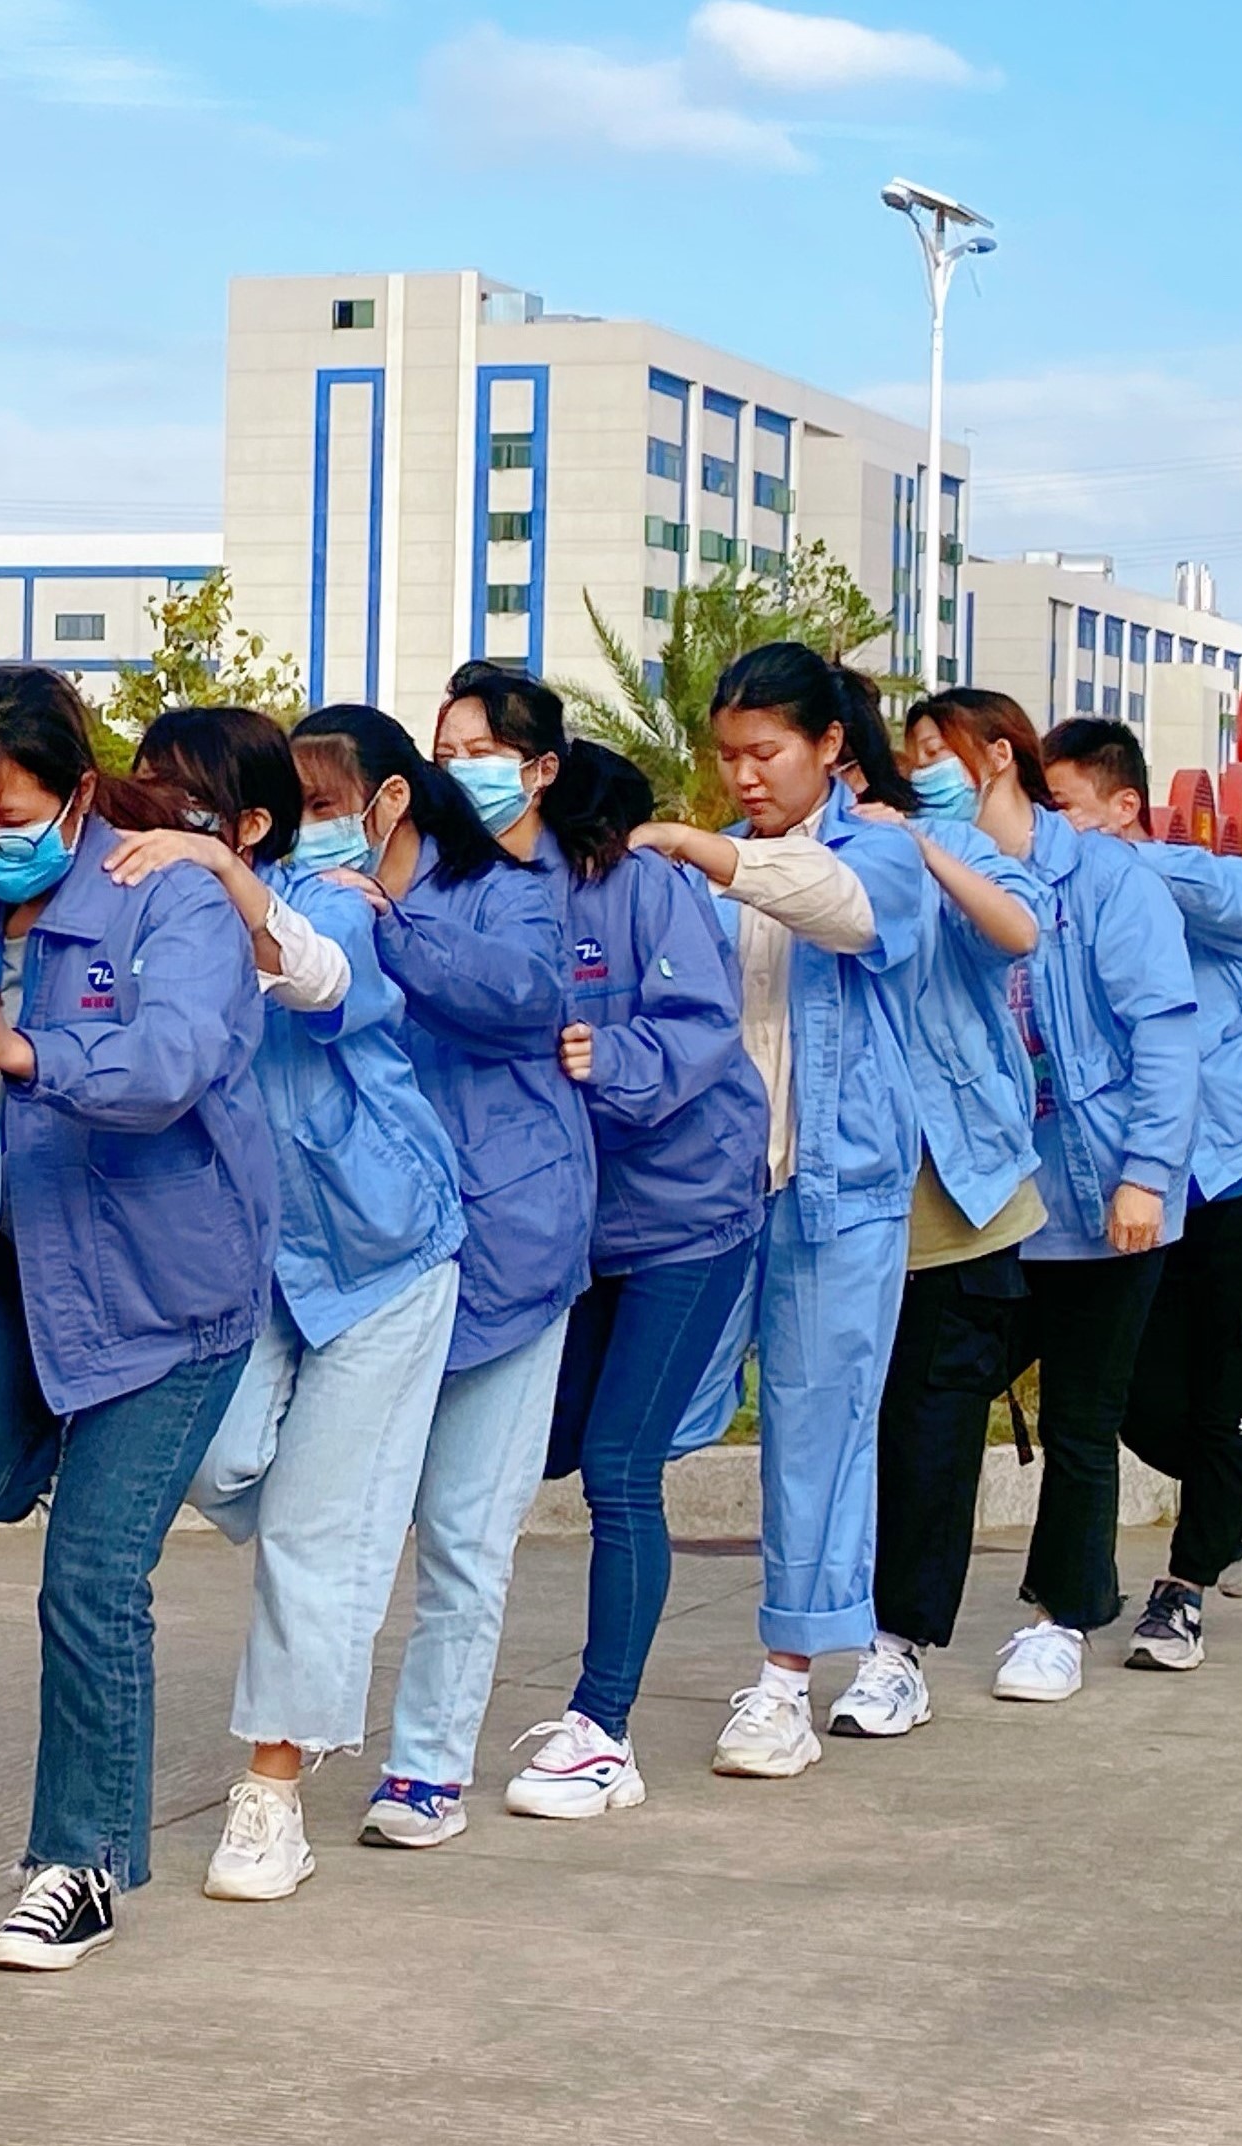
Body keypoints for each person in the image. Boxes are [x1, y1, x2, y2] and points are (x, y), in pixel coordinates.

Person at [0, 666, 278, 1972]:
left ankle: (75, 1862)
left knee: (91, 1573)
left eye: (13, 817)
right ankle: (30, 1458)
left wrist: (29, 1051)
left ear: (78, 792)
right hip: (18, 1285)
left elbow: (178, 1056)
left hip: (168, 1295)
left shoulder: (165, 890)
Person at [109, 708, 464, 1902]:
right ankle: (346, 1537)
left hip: (385, 1251)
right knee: (217, 1463)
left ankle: (269, 1796)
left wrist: (229, 884)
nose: (161, 820)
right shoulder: (142, 907)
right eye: (148, 792)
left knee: (313, 1531)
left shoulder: (336, 897)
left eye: (192, 809)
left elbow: (319, 978)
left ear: (251, 827)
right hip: (247, 1265)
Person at [841, 688, 1199, 1734]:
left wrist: (1146, 1174)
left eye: (932, 751)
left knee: (1084, 1416)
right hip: (981, 1191)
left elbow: (1164, 1033)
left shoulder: (1108, 877)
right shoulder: (920, 862)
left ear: (996, 757)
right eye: (905, 753)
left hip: (1096, 1192)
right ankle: (897, 1634)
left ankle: (1059, 1614)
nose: (918, 769)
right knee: (931, 1410)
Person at [294, 683, 589, 1851]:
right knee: (299, 1491)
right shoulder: (308, 897)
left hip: (506, 1243)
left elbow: (520, 996)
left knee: (466, 1526)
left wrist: (394, 929)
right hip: (372, 1249)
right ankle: (316, 1707)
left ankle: (427, 1765)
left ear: (389, 797)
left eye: (324, 800)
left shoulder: (511, 891)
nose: (306, 820)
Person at [633, 642, 934, 1780]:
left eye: (766, 753)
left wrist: (700, 850)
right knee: (657, 1415)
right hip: (712, 1194)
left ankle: (783, 1683)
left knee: (815, 1433)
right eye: (727, 757)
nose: (744, 777)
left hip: (838, 1190)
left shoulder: (884, 851)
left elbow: (841, 909)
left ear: (829, 749)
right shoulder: (709, 871)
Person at [499, 738, 768, 1819]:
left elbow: (698, 1029)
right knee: (546, 1446)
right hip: (573, 1222)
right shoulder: (498, 892)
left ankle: (603, 1729)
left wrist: (600, 1062)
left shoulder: (647, 887)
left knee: (620, 1465)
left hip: (687, 1214)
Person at [1042, 715, 1242, 1671]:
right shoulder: (1073, 923)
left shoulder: (1220, 897)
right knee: (1131, 1399)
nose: (1048, 832)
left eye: (1064, 810)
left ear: (1125, 808)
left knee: (1235, 1388)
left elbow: (1231, 888)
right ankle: (1238, 1484)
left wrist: (1105, 858)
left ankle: (1184, 1590)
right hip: (1136, 1193)